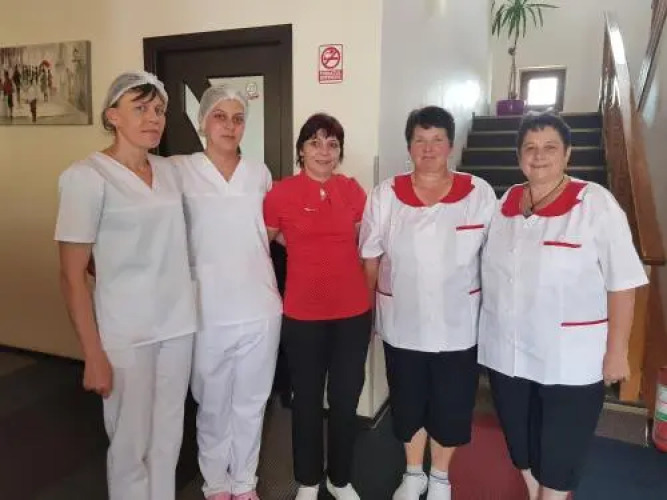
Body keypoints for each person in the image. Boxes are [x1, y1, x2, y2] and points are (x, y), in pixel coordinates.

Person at [478, 112, 648, 500]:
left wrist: (617, 351)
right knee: (521, 447)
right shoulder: (506, 203)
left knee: (559, 456)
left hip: (569, 359)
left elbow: (623, 282)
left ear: (568, 153)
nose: (539, 156)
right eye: (530, 148)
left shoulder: (595, 203)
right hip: (509, 354)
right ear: (519, 155)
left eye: (550, 147)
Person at [55, 71, 196, 500]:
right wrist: (93, 354)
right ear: (113, 115)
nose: (154, 118)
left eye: (159, 110)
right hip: (127, 331)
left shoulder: (169, 171)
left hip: (177, 323)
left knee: (168, 438)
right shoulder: (87, 177)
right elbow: (72, 275)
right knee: (130, 444)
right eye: (141, 108)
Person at [360, 106, 496, 500]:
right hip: (403, 323)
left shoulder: (478, 193)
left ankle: (440, 478)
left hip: (459, 326)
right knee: (408, 403)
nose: (428, 148)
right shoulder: (386, 194)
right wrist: (366, 316)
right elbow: (370, 258)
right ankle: (413, 473)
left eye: (437, 139)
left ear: (451, 145)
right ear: (409, 146)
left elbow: (496, 259)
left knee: (450, 407)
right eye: (420, 140)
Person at [171, 85, 282, 500]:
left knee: (252, 402)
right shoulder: (179, 170)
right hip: (207, 308)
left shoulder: (260, 173)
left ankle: (245, 482)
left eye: (238, 118)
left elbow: (276, 229)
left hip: (260, 305)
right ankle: (216, 483)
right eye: (220, 116)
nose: (229, 126)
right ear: (203, 121)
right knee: (213, 404)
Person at [263, 113, 372, 500]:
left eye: (332, 144)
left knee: (345, 400)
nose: (324, 151)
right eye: (315, 143)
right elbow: (265, 242)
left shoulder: (353, 190)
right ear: (301, 150)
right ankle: (308, 480)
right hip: (303, 316)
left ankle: (340, 480)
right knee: (306, 400)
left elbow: (363, 243)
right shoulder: (280, 193)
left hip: (352, 315)